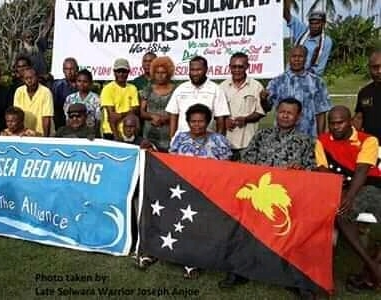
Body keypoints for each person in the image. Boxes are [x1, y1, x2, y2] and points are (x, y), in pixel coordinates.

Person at [219, 98, 316, 296]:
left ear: (298, 118)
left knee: (296, 231)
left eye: (290, 113)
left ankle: (296, 279)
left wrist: (301, 170)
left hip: (287, 198)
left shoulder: (305, 141)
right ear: (276, 113)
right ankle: (239, 271)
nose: (285, 115)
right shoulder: (262, 135)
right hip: (258, 194)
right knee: (242, 224)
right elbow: (247, 162)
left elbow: (311, 170)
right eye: (282, 111)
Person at [144, 104, 230, 279]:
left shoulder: (219, 140)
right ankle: (155, 251)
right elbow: (170, 161)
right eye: (193, 122)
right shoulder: (179, 138)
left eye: (201, 121)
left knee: (199, 226)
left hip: (208, 192)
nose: (197, 125)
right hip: (181, 189)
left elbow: (226, 169)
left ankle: (192, 261)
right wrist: (152, 152)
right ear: (188, 122)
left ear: (208, 122)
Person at [315, 106, 381, 292]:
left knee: (346, 209)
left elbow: (362, 170)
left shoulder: (367, 140)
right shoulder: (322, 141)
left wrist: (349, 196)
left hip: (369, 185)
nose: (336, 127)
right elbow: (323, 170)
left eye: (340, 122)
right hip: (337, 187)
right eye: (332, 123)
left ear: (350, 121)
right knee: (341, 214)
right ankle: (372, 265)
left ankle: (371, 267)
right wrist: (344, 194)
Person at [262, 46, 332, 137]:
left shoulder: (317, 82)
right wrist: (263, 99)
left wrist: (321, 139)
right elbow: (267, 108)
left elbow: (321, 113)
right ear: (289, 58)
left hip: (309, 136)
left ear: (306, 59)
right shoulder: (277, 81)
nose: (297, 59)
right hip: (282, 138)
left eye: (300, 56)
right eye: (294, 56)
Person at [166, 56, 229, 139]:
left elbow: (220, 119)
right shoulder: (181, 89)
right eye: (192, 70)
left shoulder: (216, 89)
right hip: (182, 141)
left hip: (207, 142)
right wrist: (172, 138)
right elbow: (173, 115)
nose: (195, 73)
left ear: (206, 69)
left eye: (198, 70)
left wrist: (218, 141)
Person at [220, 52, 265, 160]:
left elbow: (260, 112)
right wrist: (224, 120)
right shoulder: (222, 87)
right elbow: (216, 113)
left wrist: (246, 119)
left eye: (240, 67)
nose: (237, 70)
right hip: (226, 142)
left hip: (248, 142)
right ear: (229, 67)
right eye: (234, 67)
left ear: (247, 66)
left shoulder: (256, 86)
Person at [283, 0, 333, 75]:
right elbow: (287, 16)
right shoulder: (302, 31)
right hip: (289, 74)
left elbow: (319, 69)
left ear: (323, 24)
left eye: (317, 23)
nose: (314, 26)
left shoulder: (326, 41)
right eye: (311, 23)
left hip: (307, 78)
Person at [139, 56, 175, 152]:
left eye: (163, 73)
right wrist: (152, 116)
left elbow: (177, 113)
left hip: (168, 134)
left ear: (168, 73)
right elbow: (142, 112)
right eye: (157, 73)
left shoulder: (175, 90)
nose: (160, 75)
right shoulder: (148, 89)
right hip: (149, 133)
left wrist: (163, 119)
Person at [100, 58, 139, 140]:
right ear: (114, 72)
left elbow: (135, 110)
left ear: (128, 72)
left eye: (124, 71)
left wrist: (120, 115)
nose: (121, 74)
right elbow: (112, 117)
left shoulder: (133, 88)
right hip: (111, 132)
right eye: (118, 71)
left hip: (129, 131)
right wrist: (116, 136)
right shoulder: (108, 89)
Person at [18, 2, 54, 82]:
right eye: (28, 37)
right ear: (23, 39)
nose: (31, 39)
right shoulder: (22, 54)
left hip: (45, 81)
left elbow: (47, 28)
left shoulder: (39, 46)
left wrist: (53, 10)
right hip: (31, 82)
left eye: (32, 37)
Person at [13, 68, 54, 137]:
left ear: (37, 77)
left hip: (43, 133)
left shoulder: (46, 92)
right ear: (23, 80)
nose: (29, 80)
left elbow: (46, 117)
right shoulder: (19, 91)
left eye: (31, 77)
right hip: (24, 134)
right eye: (26, 78)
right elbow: (17, 115)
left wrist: (45, 138)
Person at [353, 51, 381, 141]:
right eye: (375, 67)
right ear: (369, 68)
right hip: (371, 146)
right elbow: (359, 118)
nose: (379, 71)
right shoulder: (364, 92)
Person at [52, 57, 79, 129]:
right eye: (66, 69)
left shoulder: (82, 84)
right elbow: (55, 109)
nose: (69, 72)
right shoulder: (57, 85)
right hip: (62, 125)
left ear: (77, 69)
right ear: (63, 70)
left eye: (71, 69)